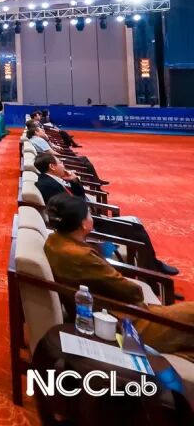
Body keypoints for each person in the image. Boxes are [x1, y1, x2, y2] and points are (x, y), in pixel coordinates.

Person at [43, 194, 194, 358]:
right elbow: (132, 292)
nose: (91, 216)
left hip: (108, 310)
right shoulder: (80, 256)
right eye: (89, 213)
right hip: (122, 322)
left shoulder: (54, 240)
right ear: (83, 224)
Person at [34, 153, 176, 275]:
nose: (63, 164)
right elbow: (74, 207)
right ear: (52, 166)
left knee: (135, 223)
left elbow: (77, 200)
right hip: (83, 225)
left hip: (85, 218)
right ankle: (151, 271)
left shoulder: (51, 181)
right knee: (136, 230)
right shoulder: (48, 185)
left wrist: (75, 181)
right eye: (59, 162)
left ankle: (151, 264)